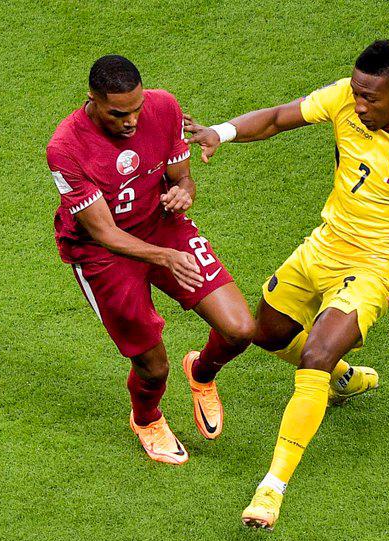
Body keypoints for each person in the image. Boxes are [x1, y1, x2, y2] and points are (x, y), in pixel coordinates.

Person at [185, 40, 389, 528]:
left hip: (374, 266)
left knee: (314, 357)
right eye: (357, 93)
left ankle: (270, 489)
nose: (360, 105)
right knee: (267, 335)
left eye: (372, 98)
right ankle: (344, 379)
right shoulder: (347, 96)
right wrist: (222, 132)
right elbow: (281, 117)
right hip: (321, 248)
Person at [47, 55, 255, 464]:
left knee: (240, 330)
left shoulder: (164, 106)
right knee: (153, 366)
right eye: (118, 113)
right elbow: (103, 232)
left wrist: (185, 192)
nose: (132, 122)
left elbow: (181, 176)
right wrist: (166, 258)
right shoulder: (65, 148)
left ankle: (201, 372)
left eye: (137, 109)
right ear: (91, 99)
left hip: (161, 227)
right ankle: (146, 419)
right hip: (102, 256)